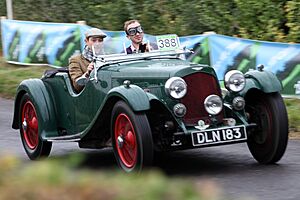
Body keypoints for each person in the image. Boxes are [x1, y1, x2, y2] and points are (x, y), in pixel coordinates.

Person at [69, 28, 106, 92]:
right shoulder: (76, 60)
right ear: (86, 41)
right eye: (94, 40)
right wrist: (88, 73)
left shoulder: (108, 57)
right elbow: (77, 86)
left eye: (100, 40)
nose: (97, 43)